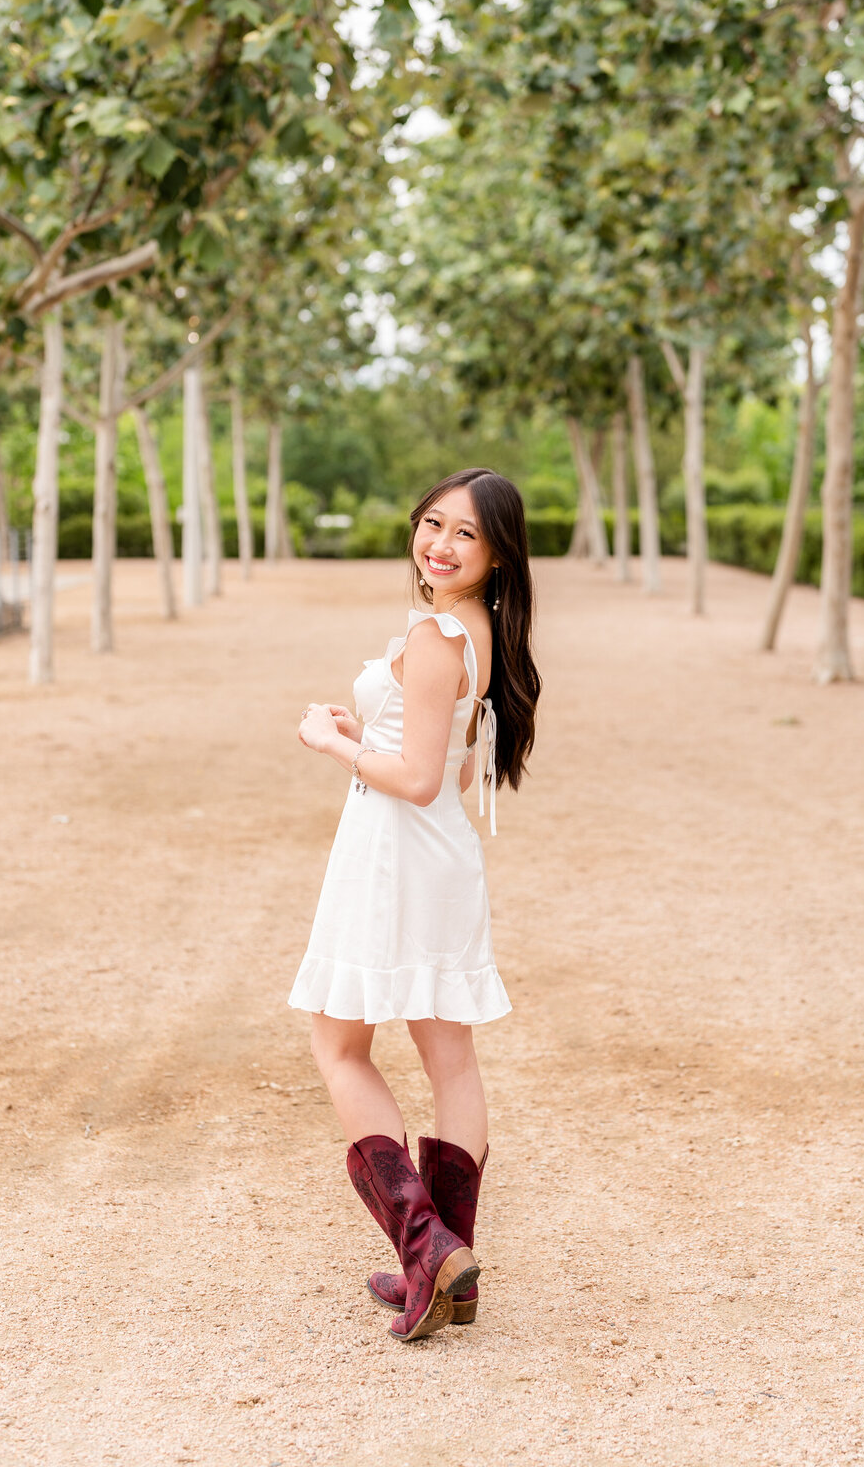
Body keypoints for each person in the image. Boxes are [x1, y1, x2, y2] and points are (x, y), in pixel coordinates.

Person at [289, 467, 542, 1342]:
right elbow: (457, 766)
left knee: (339, 1044)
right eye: (433, 523)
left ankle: (425, 1247)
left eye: (465, 533)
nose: (440, 543)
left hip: (394, 853)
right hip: (435, 857)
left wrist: (331, 743)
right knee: (451, 1059)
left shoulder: (439, 632)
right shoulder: (481, 629)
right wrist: (374, 738)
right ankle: (448, 1271)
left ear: (499, 552)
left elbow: (423, 778)